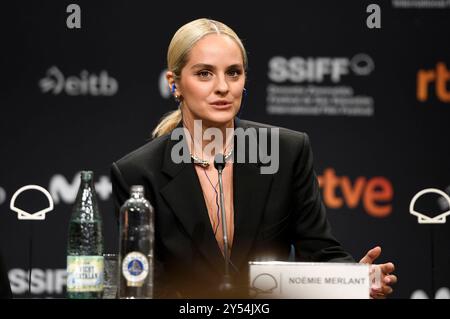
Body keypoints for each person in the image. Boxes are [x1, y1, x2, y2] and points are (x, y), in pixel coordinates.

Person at [111, 18, 397, 298]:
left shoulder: (286, 151)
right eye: (204, 74)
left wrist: (352, 279)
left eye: (233, 72)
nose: (223, 87)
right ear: (175, 84)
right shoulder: (137, 173)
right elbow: (145, 283)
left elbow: (320, 251)